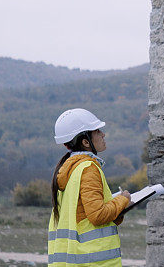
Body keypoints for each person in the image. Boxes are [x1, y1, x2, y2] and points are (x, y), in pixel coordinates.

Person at [48, 108, 133, 267]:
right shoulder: (88, 169)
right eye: (98, 131)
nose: (103, 134)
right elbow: (97, 216)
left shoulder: (69, 170)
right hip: (94, 261)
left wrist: (117, 210)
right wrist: (123, 200)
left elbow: (85, 215)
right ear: (86, 142)